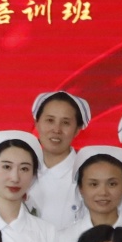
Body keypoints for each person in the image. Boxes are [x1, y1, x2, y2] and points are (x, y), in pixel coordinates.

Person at [26, 90, 93, 228]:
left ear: (77, 130)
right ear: (37, 123)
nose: (56, 129)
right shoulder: (21, 170)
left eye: (66, 123)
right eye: (50, 120)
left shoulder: (89, 174)